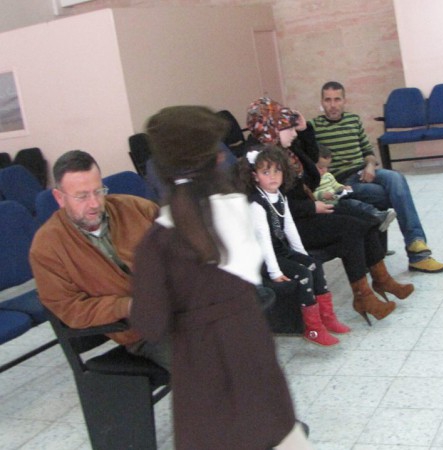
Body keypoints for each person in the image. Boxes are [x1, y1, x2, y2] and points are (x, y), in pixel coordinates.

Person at [131, 105, 311, 450]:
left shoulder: (156, 244)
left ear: (158, 170)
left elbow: (150, 324)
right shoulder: (240, 209)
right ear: (217, 160)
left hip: (201, 375)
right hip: (254, 356)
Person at [245, 97, 414, 325]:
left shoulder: (284, 150)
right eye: (288, 128)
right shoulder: (259, 161)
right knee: (351, 229)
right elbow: (269, 206)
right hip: (289, 227)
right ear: (271, 127)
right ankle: (364, 297)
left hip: (305, 212)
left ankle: (381, 281)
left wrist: (305, 131)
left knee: (369, 220)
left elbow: (313, 173)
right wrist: (310, 206)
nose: (293, 133)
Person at [29, 150, 170, 370]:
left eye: (98, 191)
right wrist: (127, 306)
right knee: (205, 364)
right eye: (82, 196)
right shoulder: (48, 247)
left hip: (184, 309)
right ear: (59, 198)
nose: (94, 203)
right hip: (143, 332)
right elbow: (70, 308)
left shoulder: (137, 209)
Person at [311, 81, 443, 273]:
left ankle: (417, 245)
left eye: (337, 99)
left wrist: (370, 165)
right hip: (342, 182)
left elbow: (368, 151)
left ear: (344, 101)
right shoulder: (314, 126)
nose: (333, 105)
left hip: (364, 171)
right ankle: (417, 255)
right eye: (328, 100)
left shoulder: (353, 120)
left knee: (396, 179)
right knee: (391, 195)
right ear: (321, 102)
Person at [238, 145, 350, 347]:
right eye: (266, 172)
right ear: (255, 176)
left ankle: (327, 317)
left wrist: (303, 255)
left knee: (314, 265)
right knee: (303, 274)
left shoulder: (280, 196)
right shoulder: (256, 203)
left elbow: (289, 227)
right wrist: (274, 271)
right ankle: (313, 329)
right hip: (263, 257)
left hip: (280, 251)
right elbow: (264, 240)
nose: (273, 177)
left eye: (277, 171)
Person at [315, 144, 397, 232]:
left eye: (327, 167)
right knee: (354, 205)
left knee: (355, 203)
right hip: (324, 205)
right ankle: (376, 218)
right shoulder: (312, 178)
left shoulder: (328, 175)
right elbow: (310, 193)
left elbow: (335, 185)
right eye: (321, 168)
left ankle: (378, 215)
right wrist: (321, 195)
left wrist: (342, 188)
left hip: (336, 199)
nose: (324, 170)